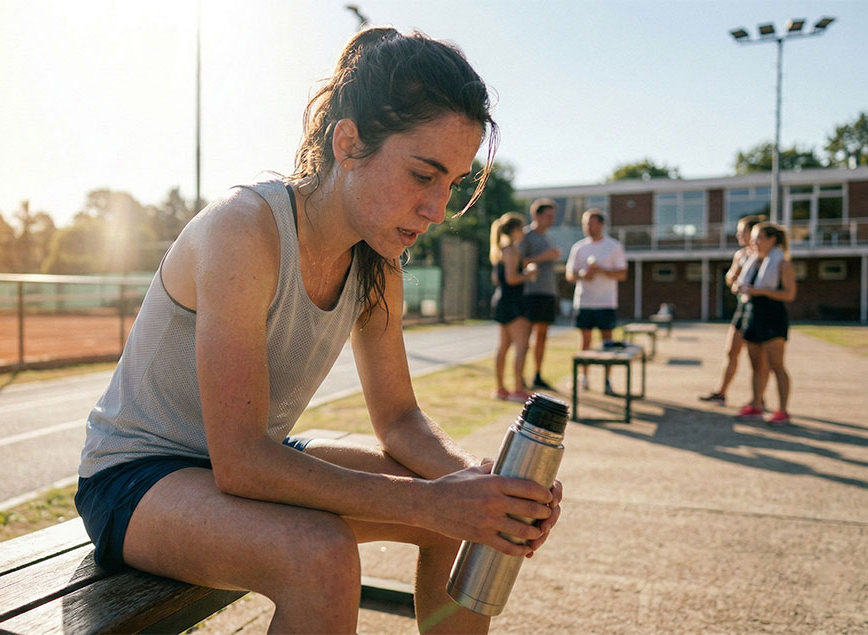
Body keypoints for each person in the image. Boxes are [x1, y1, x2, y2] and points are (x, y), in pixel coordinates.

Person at [75, 28, 562, 634]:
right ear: (349, 143)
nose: (437, 209)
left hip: (250, 463)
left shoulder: (377, 262)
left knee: (466, 526)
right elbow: (242, 463)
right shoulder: (242, 230)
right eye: (421, 175)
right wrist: (434, 500)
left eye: (451, 185)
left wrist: (481, 485)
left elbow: (401, 421)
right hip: (137, 477)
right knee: (321, 556)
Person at [700, 214, 766, 405]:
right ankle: (721, 393)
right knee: (731, 351)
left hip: (759, 310)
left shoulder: (762, 256)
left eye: (741, 232)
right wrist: (735, 280)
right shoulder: (740, 255)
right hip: (742, 307)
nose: (738, 236)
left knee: (758, 359)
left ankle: (760, 398)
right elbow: (730, 278)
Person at [734, 222, 796, 425]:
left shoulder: (782, 263)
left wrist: (759, 291)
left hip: (772, 315)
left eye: (758, 238)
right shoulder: (751, 261)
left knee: (776, 365)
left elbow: (789, 294)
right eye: (753, 238)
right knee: (755, 365)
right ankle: (756, 404)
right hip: (752, 313)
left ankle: (783, 410)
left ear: (772, 240)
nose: (754, 242)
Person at [565, 209, 627, 391]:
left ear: (601, 225)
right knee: (585, 341)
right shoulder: (579, 247)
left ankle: (607, 381)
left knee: (607, 342)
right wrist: (583, 274)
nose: (588, 227)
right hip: (584, 302)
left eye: (591, 223)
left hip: (606, 302)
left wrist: (602, 270)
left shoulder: (614, 246)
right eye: (585, 224)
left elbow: (622, 274)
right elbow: (570, 274)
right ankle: (583, 377)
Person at [490, 212, 538, 403]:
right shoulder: (513, 250)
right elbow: (511, 279)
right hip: (513, 301)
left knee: (504, 346)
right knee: (522, 345)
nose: (524, 232)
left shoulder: (499, 249)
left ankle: (501, 388)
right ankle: (518, 389)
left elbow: (497, 279)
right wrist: (529, 273)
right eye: (522, 228)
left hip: (502, 300)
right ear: (516, 229)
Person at [520, 198, 563, 391]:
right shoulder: (526, 236)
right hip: (531, 292)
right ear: (536, 215)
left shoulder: (548, 237)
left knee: (543, 336)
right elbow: (519, 263)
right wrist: (545, 256)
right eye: (549, 215)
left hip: (548, 292)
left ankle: (537, 375)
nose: (552, 219)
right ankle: (519, 377)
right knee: (525, 337)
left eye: (553, 216)